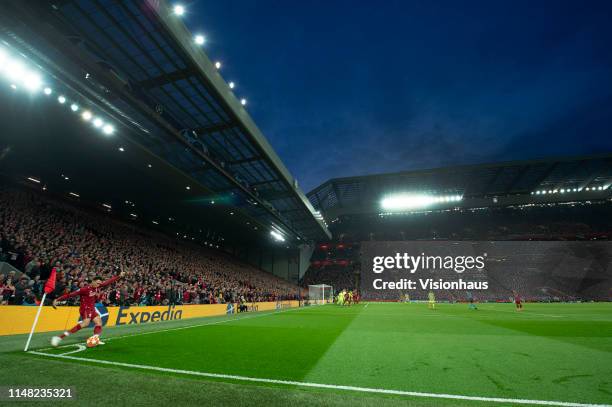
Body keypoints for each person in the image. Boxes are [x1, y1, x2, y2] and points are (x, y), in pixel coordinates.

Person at [50, 269, 125, 347]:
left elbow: (108, 282)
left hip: (92, 308)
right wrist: (57, 299)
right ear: (93, 281)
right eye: (97, 283)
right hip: (85, 309)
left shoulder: (97, 286)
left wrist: (119, 276)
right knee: (85, 323)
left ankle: (95, 339)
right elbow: (70, 295)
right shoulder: (84, 289)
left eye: (99, 283)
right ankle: (58, 337)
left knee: (99, 322)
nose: (98, 285)